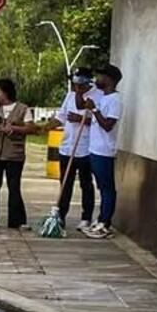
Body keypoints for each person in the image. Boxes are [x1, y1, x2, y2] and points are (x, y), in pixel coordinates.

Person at [0, 78, 35, 230]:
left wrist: (14, 129)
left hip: (14, 154)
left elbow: (30, 128)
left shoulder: (23, 109)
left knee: (14, 186)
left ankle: (17, 220)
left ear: (6, 92)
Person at [49, 68, 96, 230]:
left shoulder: (97, 97)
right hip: (67, 147)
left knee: (86, 184)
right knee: (65, 184)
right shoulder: (69, 96)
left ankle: (86, 217)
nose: (77, 88)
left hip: (86, 148)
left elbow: (101, 121)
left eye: (80, 85)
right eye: (75, 84)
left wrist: (82, 118)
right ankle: (60, 216)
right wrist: (44, 127)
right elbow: (61, 117)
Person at [81, 64, 123, 238]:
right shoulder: (103, 98)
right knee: (101, 186)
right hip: (94, 148)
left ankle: (105, 223)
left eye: (100, 76)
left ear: (109, 79)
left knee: (107, 188)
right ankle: (100, 220)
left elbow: (108, 125)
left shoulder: (115, 101)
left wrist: (95, 110)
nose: (97, 80)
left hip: (105, 150)